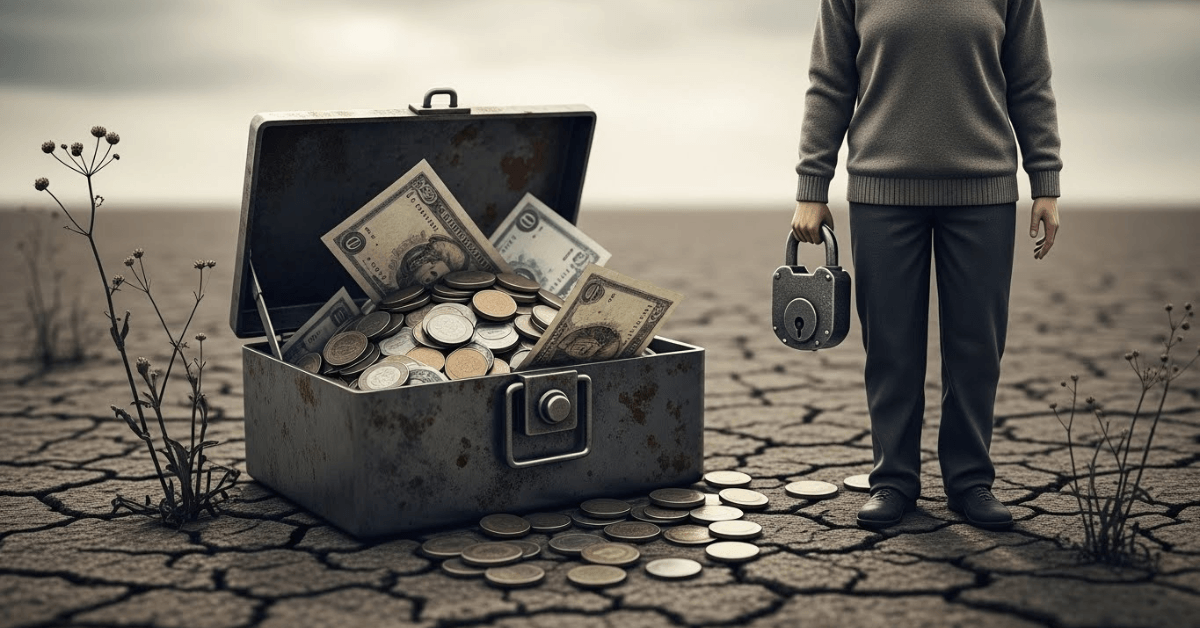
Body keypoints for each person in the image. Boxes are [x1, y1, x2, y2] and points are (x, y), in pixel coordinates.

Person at [790, 0, 1063, 530]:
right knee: (890, 346)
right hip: (881, 191)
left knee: (977, 345)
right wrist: (811, 185)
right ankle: (893, 480)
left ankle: (969, 482)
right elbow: (829, 83)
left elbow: (1031, 81)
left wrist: (1045, 180)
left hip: (983, 193)